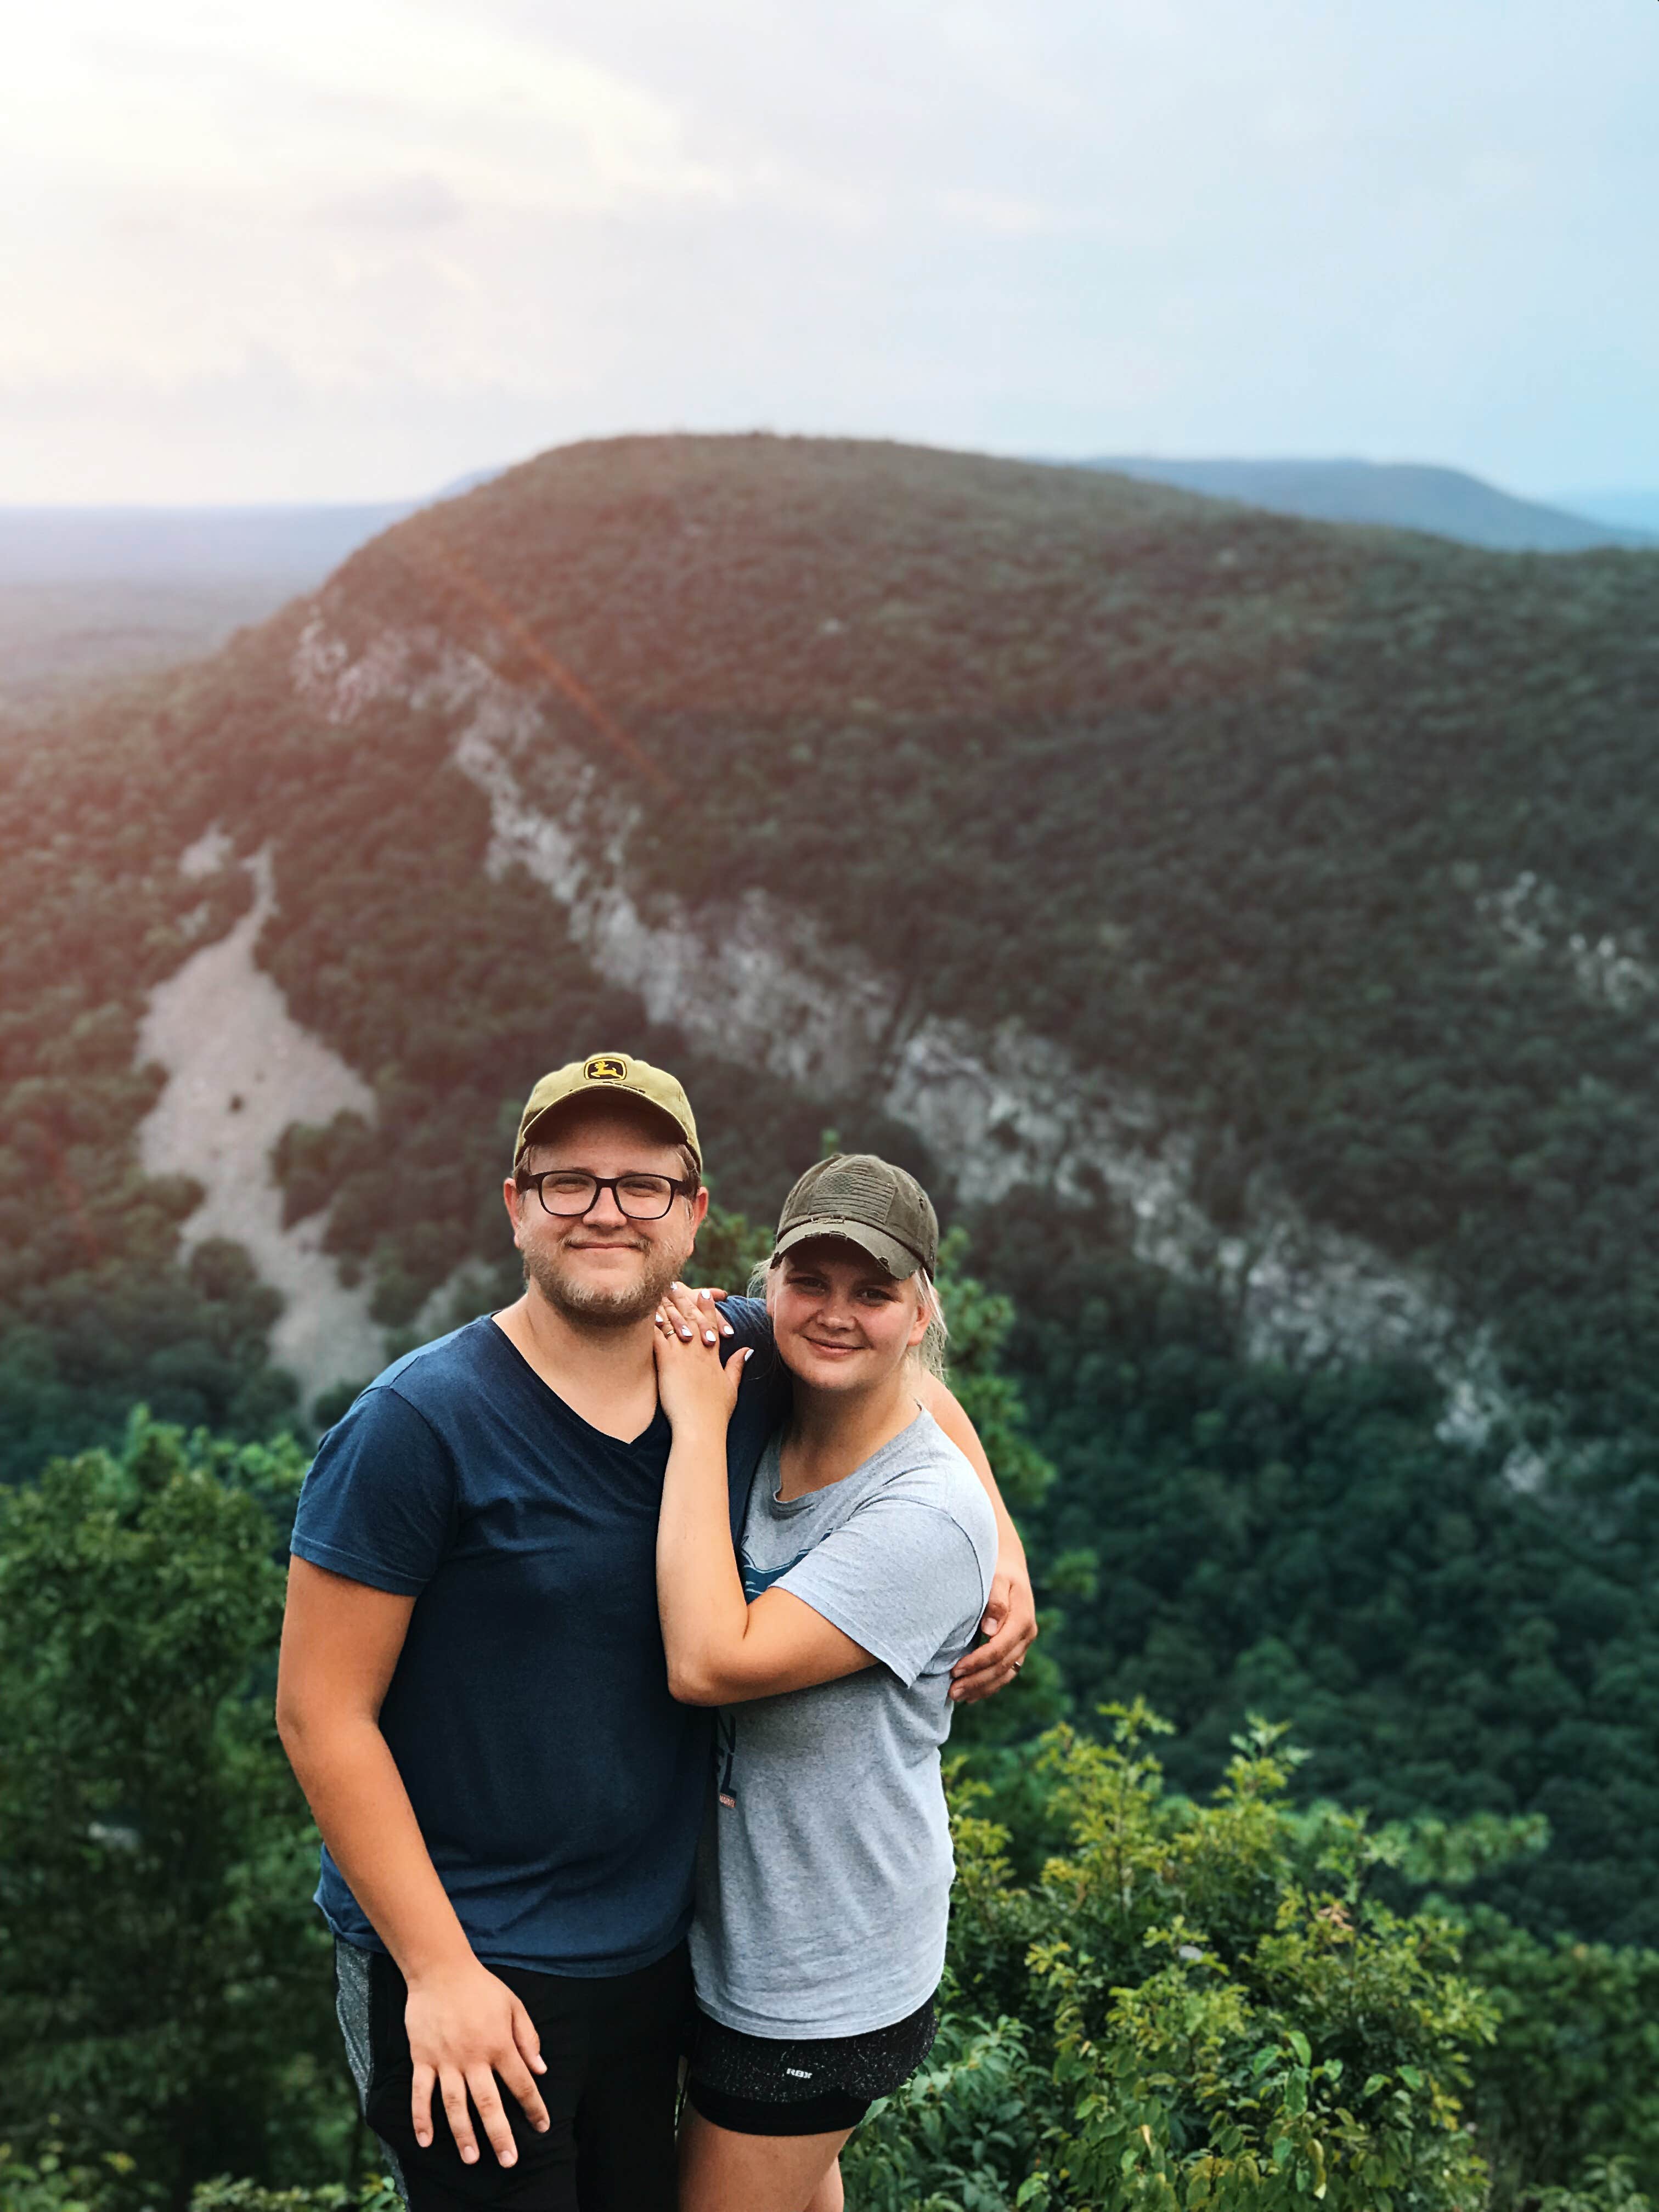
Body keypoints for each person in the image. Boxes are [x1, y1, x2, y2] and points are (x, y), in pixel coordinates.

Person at [274, 1053, 1036, 2212]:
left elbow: (906, 1385)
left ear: (694, 1214)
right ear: (517, 1203)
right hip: (475, 1966)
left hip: (656, 1962)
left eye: (642, 1185)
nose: (605, 1211)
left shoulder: (735, 1353)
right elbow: (320, 1712)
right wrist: (437, 1972)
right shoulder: (415, 1429)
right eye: (569, 1182)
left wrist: (1001, 1542)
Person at [651, 1151, 1006, 2212]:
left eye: (875, 1292)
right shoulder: (774, 1372)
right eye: (813, 1283)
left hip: (822, 1979)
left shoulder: (926, 1518)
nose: (837, 1314)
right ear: (771, 1285)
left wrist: (699, 1427)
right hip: (750, 1940)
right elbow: (923, 1390)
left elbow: (710, 1662)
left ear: (921, 1305)